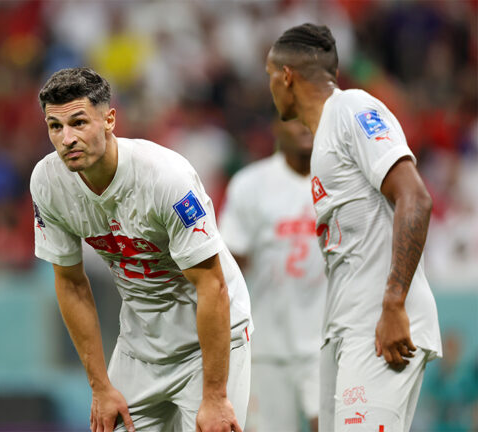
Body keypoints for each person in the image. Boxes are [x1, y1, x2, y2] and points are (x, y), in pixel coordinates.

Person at [30, 67, 252, 432]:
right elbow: (70, 283)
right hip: (140, 346)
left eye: (79, 122)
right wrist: (101, 387)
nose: (66, 138)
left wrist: (214, 396)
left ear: (110, 120)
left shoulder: (167, 178)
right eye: (55, 126)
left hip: (208, 349)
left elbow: (212, 285)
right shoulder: (48, 182)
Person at [265, 23, 441, 432]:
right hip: (346, 326)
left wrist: (394, 305)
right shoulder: (325, 135)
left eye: (270, 75)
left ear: (286, 76)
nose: (270, 87)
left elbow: (415, 198)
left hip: (380, 326)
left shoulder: (353, 109)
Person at [219, 118, 324, 432]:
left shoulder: (341, 181)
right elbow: (228, 269)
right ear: (276, 127)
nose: (305, 126)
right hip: (268, 346)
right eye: (295, 118)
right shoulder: (251, 184)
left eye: (311, 117)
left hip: (328, 342)